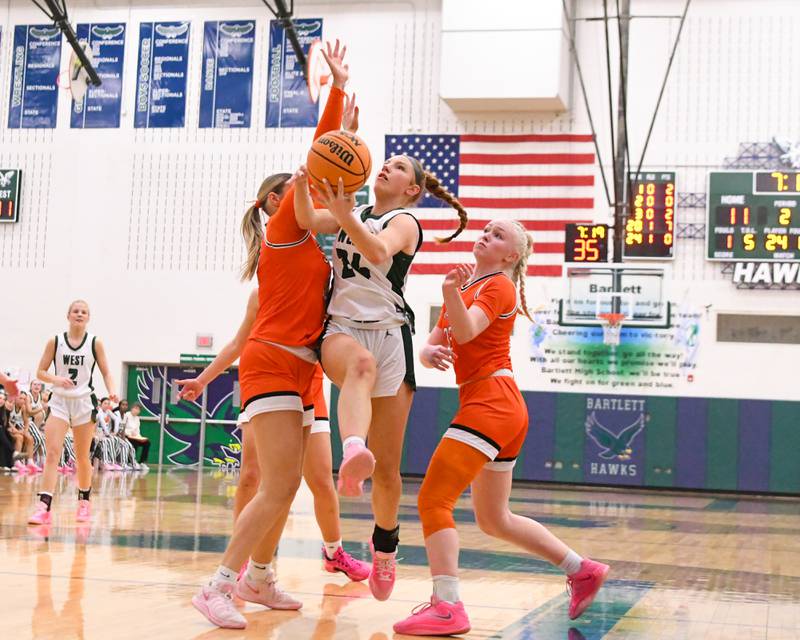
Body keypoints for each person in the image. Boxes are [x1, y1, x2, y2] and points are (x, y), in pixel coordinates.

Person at [190, 40, 354, 630]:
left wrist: (349, 151)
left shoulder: (317, 242)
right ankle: (218, 586)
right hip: (272, 365)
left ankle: (259, 579)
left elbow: (336, 190)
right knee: (277, 483)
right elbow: (317, 160)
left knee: (285, 488)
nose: (312, 190)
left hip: (303, 369)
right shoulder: (285, 228)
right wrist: (336, 94)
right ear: (275, 202)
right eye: (303, 186)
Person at [393, 220, 610, 635]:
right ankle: (580, 569)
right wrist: (427, 352)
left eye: (498, 236)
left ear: (511, 256)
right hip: (500, 405)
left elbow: (470, 330)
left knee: (433, 500)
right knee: (494, 519)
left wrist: (448, 294)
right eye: (487, 230)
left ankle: (447, 605)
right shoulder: (471, 284)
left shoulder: (498, 286)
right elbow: (437, 342)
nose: (486, 235)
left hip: (490, 402)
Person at [294, 147, 467, 601]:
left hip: (392, 335)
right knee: (359, 366)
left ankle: (385, 548)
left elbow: (375, 250)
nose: (388, 165)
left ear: (411, 189)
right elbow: (310, 221)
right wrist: (303, 178)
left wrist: (344, 215)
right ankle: (353, 449)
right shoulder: (357, 210)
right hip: (343, 327)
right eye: (387, 161)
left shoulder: (404, 222)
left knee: (389, 470)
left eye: (400, 167)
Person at [28, 299, 118, 525]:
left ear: (88, 318)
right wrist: (57, 379)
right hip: (59, 401)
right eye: (75, 311)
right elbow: (40, 371)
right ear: (68, 315)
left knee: (82, 457)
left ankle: (84, 501)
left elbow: (106, 372)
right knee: (52, 453)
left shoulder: (95, 343)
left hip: (84, 403)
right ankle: (44, 505)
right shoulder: (55, 341)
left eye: (84, 312)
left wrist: (113, 391)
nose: (79, 314)